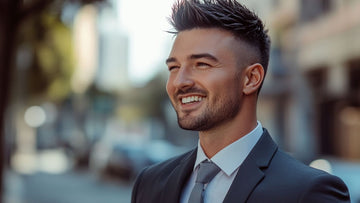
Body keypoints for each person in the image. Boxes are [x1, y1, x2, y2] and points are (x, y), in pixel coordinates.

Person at [131, 0, 350, 202]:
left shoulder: (310, 192)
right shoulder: (149, 182)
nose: (179, 82)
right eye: (174, 67)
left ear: (251, 79)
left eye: (202, 64)